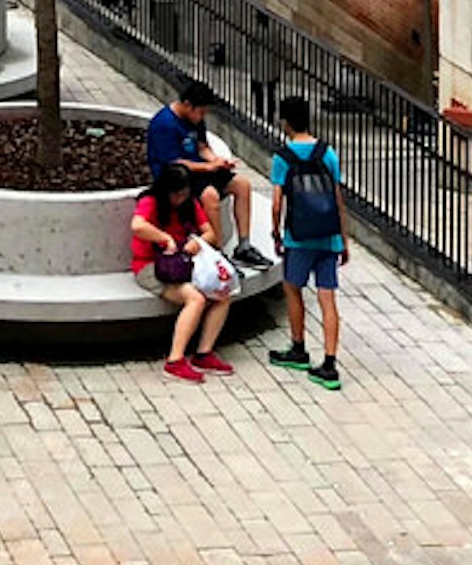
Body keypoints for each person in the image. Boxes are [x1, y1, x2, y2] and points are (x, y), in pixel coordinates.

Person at [262, 95, 348, 389]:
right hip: (328, 237)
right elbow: (338, 199)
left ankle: (298, 348)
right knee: (328, 299)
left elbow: (276, 204)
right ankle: (329, 363)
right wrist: (344, 240)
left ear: (284, 121)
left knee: (292, 289)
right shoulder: (328, 153)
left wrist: (275, 233)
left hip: (298, 238)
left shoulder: (283, 158)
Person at [134, 163, 243, 385]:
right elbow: (137, 226)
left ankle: (204, 353)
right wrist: (164, 238)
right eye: (176, 195)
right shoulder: (150, 202)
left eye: (184, 194)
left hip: (184, 263)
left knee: (223, 294)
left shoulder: (190, 203)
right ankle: (175, 360)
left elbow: (210, 233)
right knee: (195, 299)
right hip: (152, 266)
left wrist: (198, 242)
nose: (180, 199)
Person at [146, 77, 269, 272]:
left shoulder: (195, 120)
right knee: (210, 195)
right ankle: (218, 252)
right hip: (177, 176)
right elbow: (175, 163)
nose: (203, 117)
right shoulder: (165, 124)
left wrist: (217, 161)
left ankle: (244, 245)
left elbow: (202, 147)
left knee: (242, 185)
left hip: (199, 169)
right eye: (201, 112)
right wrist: (208, 168)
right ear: (187, 105)